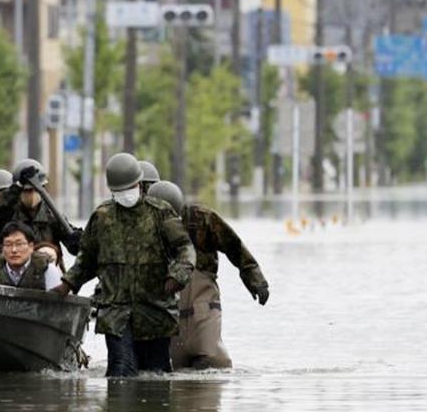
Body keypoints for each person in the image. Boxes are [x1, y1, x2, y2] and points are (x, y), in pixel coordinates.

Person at [51, 152, 195, 377]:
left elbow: (185, 248)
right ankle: (117, 411)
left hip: (154, 309)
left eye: (128, 188)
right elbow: (87, 259)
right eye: (118, 191)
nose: (124, 195)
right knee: (120, 372)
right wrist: (67, 283)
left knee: (156, 375)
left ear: (139, 184)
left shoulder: (160, 213)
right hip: (116, 312)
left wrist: (178, 274)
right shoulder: (102, 217)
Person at [147, 180, 270, 370]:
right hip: (168, 311)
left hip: (203, 306)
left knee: (213, 362)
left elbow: (234, 246)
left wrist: (255, 279)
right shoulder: (143, 228)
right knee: (172, 369)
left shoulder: (202, 219)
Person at [0, 158, 83, 268]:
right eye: (26, 191)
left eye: (34, 190)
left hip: (48, 273)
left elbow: (75, 246)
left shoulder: (52, 216)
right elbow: (0, 211)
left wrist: (78, 241)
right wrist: (16, 187)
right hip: (17, 273)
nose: (30, 195)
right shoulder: (10, 214)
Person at [0, 222, 63, 290]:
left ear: (31, 247)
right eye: (8, 244)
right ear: (2, 249)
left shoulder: (47, 270)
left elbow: (56, 305)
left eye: (19, 244)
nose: (14, 250)